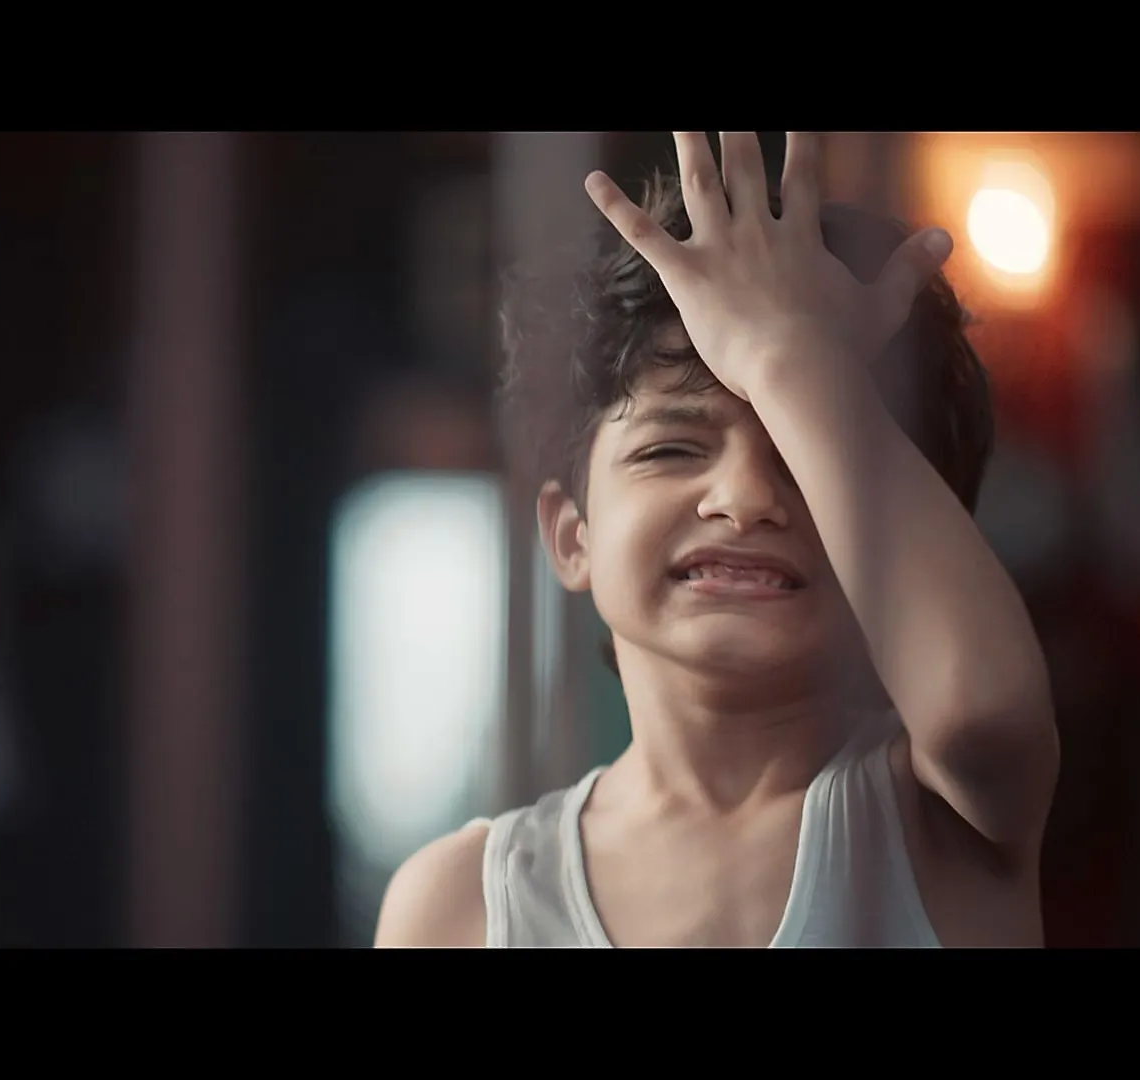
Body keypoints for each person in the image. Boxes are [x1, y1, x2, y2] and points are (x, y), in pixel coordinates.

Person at [374, 132, 1059, 947]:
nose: (745, 500)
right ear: (570, 536)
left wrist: (791, 354)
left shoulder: (944, 827)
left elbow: (985, 717)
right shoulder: (464, 905)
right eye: (671, 449)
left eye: (804, 459)